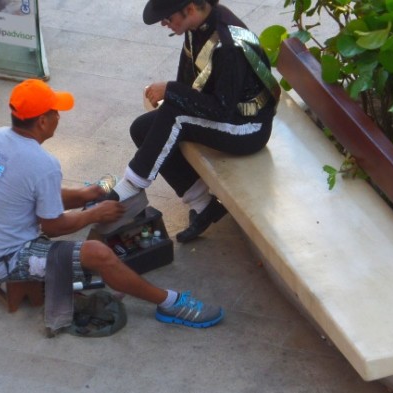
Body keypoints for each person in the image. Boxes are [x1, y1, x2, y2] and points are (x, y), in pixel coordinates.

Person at [0, 79, 224, 332]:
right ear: (42, 121)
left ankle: (108, 262)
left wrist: (85, 196)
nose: (59, 118)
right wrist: (94, 214)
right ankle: (170, 303)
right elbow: (52, 226)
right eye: (55, 113)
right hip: (6, 258)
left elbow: (28, 193)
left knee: (90, 219)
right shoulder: (43, 164)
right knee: (99, 254)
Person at [103, 0, 280, 243]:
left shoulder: (228, 46)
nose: (164, 23)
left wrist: (171, 91)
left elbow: (221, 111)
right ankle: (203, 204)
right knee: (143, 128)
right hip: (226, 115)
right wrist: (173, 93)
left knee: (175, 117)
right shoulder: (196, 28)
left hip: (248, 128)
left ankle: (129, 188)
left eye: (167, 18)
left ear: (190, 9)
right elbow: (187, 82)